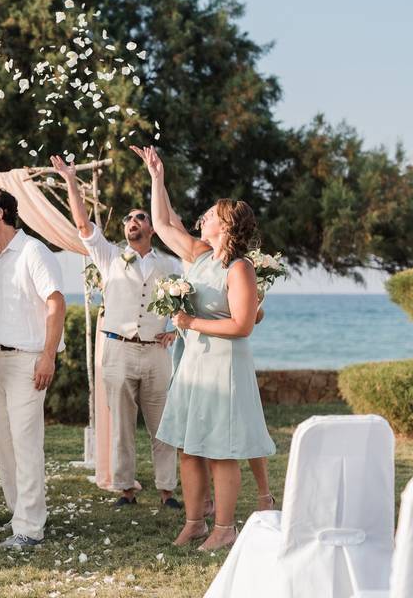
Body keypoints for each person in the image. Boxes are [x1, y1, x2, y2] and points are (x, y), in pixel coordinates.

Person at [132, 145, 275, 551]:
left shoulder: (239, 268)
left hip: (224, 367)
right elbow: (160, 222)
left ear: (226, 225)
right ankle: (195, 522)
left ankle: (224, 528)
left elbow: (243, 324)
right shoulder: (197, 255)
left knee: (220, 450)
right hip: (192, 362)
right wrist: (157, 176)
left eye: (210, 214)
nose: (203, 217)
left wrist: (191, 322)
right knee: (189, 448)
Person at [51, 155, 181, 510]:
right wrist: (71, 180)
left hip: (156, 353)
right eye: (128, 218)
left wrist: (176, 332)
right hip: (119, 350)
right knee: (122, 425)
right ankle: (126, 489)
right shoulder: (108, 256)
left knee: (163, 425)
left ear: (152, 227)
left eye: (140, 217)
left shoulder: (170, 264)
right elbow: (82, 223)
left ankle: (168, 490)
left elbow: (189, 302)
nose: (132, 221)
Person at [0, 188, 65, 548]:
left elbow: (56, 303)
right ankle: (18, 514)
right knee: (4, 443)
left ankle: (30, 529)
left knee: (26, 444)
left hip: (29, 360)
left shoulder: (34, 251)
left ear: (0, 213)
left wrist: (48, 355)